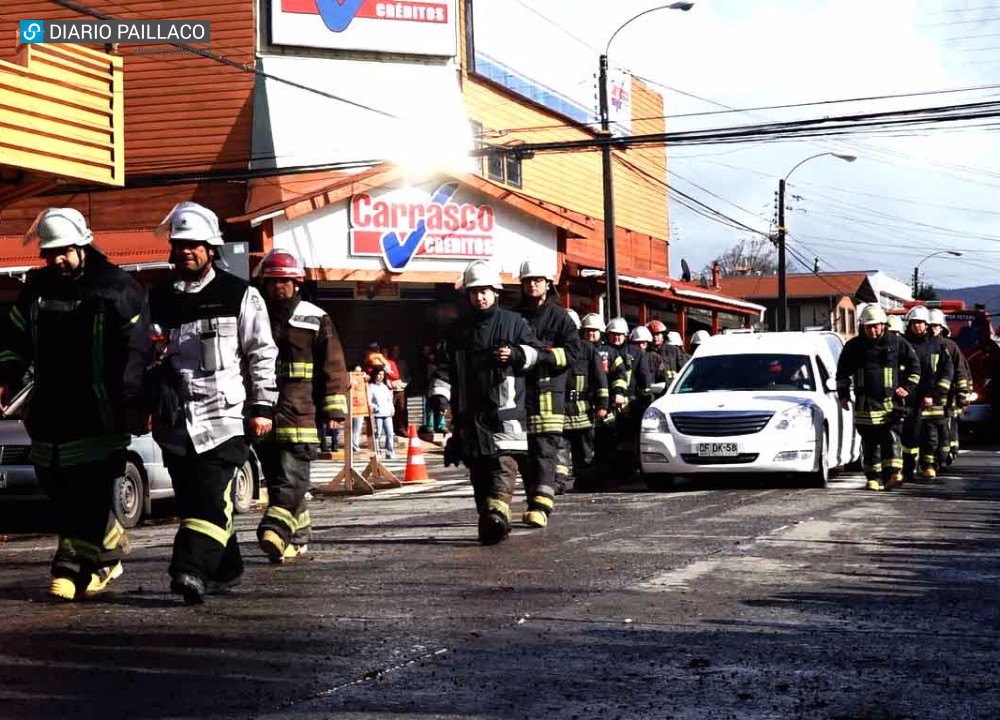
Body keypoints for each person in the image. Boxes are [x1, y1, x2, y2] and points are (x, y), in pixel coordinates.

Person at [0, 208, 151, 600]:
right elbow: (13, 337)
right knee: (56, 484)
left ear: (83, 244)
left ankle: (70, 569)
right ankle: (109, 544)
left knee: (87, 488)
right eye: (50, 254)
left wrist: (133, 399)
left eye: (63, 252)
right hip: (48, 411)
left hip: (100, 411)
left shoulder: (118, 288)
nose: (56, 260)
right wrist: (9, 373)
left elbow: (138, 350)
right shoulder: (37, 288)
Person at [147, 202, 278, 604]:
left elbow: (261, 353)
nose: (187, 251)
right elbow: (139, 354)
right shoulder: (158, 299)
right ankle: (227, 569)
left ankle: (188, 570)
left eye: (195, 245)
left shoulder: (240, 294)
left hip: (225, 420)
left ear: (211, 249)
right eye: (180, 244)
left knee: (208, 497)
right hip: (176, 424)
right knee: (194, 501)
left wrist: (262, 407)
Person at [435, 260, 547, 545]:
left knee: (502, 464)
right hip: (470, 417)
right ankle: (492, 517)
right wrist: (440, 395)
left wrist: (515, 354)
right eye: (474, 292)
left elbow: (537, 355)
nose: (479, 297)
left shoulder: (514, 323)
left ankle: (497, 512)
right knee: (479, 471)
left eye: (485, 291)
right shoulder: (458, 330)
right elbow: (444, 366)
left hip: (503, 413)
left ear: (496, 292)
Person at [254, 250, 348, 565]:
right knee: (275, 474)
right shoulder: (254, 315)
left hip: (301, 411)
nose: (278, 287)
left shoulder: (314, 317)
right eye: (273, 282)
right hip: (264, 411)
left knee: (291, 476)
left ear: (297, 283)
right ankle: (298, 536)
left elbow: (333, 365)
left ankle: (276, 529)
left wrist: (334, 410)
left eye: (285, 281)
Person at [515, 260, 580, 523]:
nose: (532, 284)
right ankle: (534, 500)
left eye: (537, 280)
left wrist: (542, 356)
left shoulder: (560, 317)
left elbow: (573, 353)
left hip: (549, 396)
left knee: (544, 452)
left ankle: (542, 508)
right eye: (528, 281)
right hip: (520, 395)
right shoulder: (515, 316)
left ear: (547, 284)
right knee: (525, 455)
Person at [836, 304, 920, 491]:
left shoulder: (896, 343)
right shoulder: (854, 346)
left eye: (877, 326)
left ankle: (894, 474)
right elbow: (841, 373)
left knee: (891, 438)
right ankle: (873, 477)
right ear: (862, 326)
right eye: (869, 326)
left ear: (883, 325)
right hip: (864, 404)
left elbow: (915, 366)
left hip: (891, 403)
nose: (874, 330)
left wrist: (907, 387)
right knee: (870, 442)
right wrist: (842, 396)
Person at [901, 305, 953, 483]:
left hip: (930, 398)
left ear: (927, 324)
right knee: (910, 435)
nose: (918, 326)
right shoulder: (903, 343)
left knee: (931, 435)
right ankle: (908, 469)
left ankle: (929, 466)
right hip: (909, 398)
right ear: (909, 324)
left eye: (921, 323)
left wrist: (937, 393)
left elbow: (947, 370)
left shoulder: (937, 344)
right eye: (915, 323)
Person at [563, 309, 609, 492]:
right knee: (559, 451)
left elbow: (600, 379)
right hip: (561, 409)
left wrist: (602, 405)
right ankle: (558, 484)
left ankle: (585, 482)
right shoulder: (556, 348)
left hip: (583, 410)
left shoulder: (588, 349)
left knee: (584, 450)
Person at [928, 308, 971, 467]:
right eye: (930, 325)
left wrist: (962, 394)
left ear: (942, 328)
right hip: (928, 396)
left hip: (949, 397)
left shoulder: (951, 346)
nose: (933, 328)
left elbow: (961, 371)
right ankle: (932, 458)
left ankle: (948, 453)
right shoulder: (920, 345)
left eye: (936, 325)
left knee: (948, 426)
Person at [368, 366, 396, 459]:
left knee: (390, 433)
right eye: (379, 374)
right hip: (377, 415)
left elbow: (389, 400)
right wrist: (376, 408)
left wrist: (392, 408)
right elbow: (369, 401)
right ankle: (377, 452)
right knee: (377, 434)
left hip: (387, 413)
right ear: (375, 375)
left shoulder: (385, 387)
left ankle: (390, 453)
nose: (380, 376)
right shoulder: (371, 387)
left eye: (382, 374)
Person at [388, 346, 410, 437]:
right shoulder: (388, 362)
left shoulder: (402, 363)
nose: (396, 353)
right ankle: (390, 430)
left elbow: (408, 375)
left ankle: (402, 429)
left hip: (401, 389)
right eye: (394, 351)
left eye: (397, 351)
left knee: (401, 409)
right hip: (390, 390)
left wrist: (405, 384)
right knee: (389, 410)